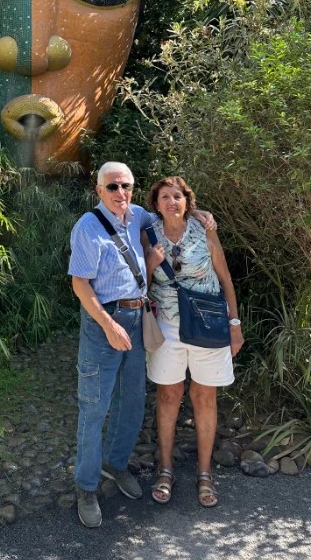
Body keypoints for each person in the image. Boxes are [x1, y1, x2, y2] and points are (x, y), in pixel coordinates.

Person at [68, 162, 214, 528]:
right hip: (104, 321)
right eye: (113, 187)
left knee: (132, 402)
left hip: (138, 319)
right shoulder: (87, 227)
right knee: (95, 406)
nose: (121, 193)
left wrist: (198, 211)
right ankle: (86, 487)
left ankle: (115, 465)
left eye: (127, 186)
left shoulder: (137, 216)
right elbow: (79, 284)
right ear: (99, 191)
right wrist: (108, 324)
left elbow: (171, 208)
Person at [144, 176, 244, 509]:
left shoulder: (205, 229)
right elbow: (139, 283)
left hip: (208, 324)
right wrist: (151, 263)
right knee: (168, 394)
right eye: (164, 197)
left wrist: (235, 324)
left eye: (177, 196)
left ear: (188, 202)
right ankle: (165, 469)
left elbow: (226, 278)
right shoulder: (149, 233)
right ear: (155, 204)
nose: (171, 201)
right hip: (167, 326)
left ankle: (205, 474)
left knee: (204, 396)